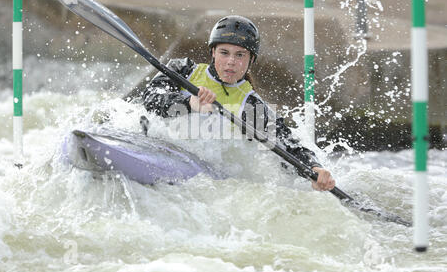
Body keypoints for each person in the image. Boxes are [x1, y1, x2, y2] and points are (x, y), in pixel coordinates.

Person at [142, 15, 335, 191]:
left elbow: (288, 146)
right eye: (224, 53)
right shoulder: (182, 69)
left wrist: (314, 168)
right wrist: (188, 103)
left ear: (251, 60)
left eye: (240, 55)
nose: (231, 62)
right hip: (157, 146)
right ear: (213, 53)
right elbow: (150, 98)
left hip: (202, 179)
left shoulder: (251, 105)